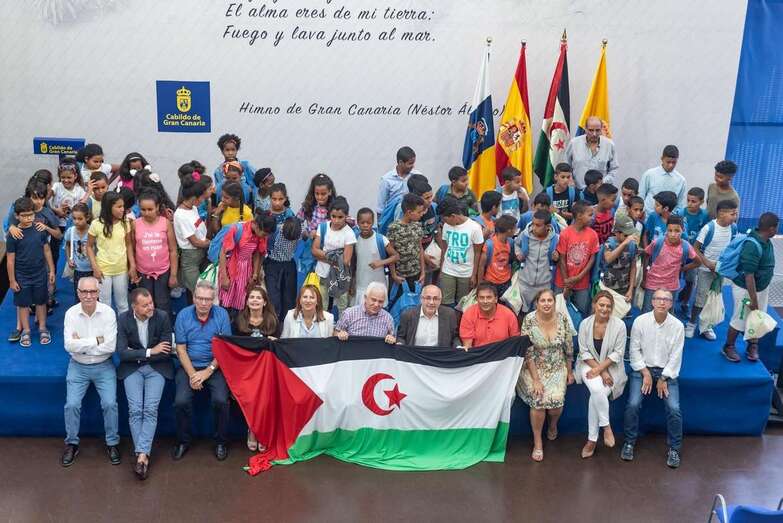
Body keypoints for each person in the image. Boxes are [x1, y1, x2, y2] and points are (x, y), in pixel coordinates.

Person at [622, 289, 684, 469]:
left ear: (671, 304)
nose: (662, 302)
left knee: (674, 408)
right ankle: (629, 442)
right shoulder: (640, 322)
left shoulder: (677, 326)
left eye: (667, 299)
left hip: (667, 372)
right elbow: (634, 351)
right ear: (652, 302)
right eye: (658, 299)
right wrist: (646, 373)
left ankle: (674, 448)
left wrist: (663, 377)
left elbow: (676, 356)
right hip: (643, 369)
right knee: (633, 403)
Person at [61, 276, 119, 467]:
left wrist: (81, 343)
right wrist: (96, 340)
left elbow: (110, 347)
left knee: (110, 404)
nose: (88, 296)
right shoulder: (70, 314)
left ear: (98, 292)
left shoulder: (109, 313)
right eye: (84, 292)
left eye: (92, 291)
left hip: (104, 365)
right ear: (78, 293)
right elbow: (69, 345)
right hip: (78, 366)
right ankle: (71, 443)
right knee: (71, 405)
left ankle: (112, 443)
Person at [116, 287, 173, 480]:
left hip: (157, 369)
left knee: (149, 409)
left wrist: (139, 353)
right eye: (145, 305)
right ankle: (143, 454)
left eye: (151, 303)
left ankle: (141, 455)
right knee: (134, 410)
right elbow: (122, 353)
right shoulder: (123, 319)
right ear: (134, 306)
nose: (151, 307)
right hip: (132, 369)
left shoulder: (162, 316)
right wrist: (150, 351)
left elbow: (165, 350)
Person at [173, 281, 233, 461]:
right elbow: (181, 349)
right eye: (200, 298)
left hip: (215, 365)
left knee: (221, 400)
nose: (204, 303)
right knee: (181, 401)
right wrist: (193, 375)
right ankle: (183, 441)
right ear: (194, 298)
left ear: (214, 300)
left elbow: (224, 348)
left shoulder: (222, 314)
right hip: (189, 365)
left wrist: (207, 372)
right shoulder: (183, 315)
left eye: (208, 299)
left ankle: (221, 442)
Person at [517, 289, 574, 462]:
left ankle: (553, 426)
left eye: (550, 300)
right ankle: (538, 442)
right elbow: (528, 352)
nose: (547, 304)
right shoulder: (529, 320)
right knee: (539, 401)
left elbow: (569, 347)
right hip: (534, 367)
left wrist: (570, 371)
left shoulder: (563, 318)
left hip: (557, 366)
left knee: (556, 405)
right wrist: (536, 380)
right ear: (537, 303)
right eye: (543, 300)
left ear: (554, 303)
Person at [575, 291, 628, 458]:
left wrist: (602, 370)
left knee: (596, 394)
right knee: (597, 390)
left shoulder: (619, 325)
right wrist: (599, 371)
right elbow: (583, 352)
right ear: (594, 305)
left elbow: (617, 354)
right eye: (601, 305)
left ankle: (591, 440)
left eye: (608, 306)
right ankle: (606, 427)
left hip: (611, 367)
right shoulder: (585, 324)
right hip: (587, 364)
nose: (604, 309)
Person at [722, 212, 779, 362]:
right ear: (772, 229)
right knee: (740, 318)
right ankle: (728, 346)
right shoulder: (752, 246)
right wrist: (753, 300)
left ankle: (753, 345)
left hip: (761, 289)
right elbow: (749, 276)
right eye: (777, 227)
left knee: (757, 316)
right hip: (746, 292)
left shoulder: (767, 242)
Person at [232, 285, 278, 452]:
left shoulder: (272, 320)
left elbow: (278, 349)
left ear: (265, 302)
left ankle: (262, 431)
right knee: (250, 396)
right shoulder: (238, 320)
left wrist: (274, 341)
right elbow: (233, 345)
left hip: (266, 369)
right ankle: (253, 429)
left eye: (258, 298)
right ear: (247, 301)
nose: (255, 300)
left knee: (266, 397)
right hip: (245, 369)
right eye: (251, 297)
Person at [6, 197, 56, 347]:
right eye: (24, 215)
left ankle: (42, 328)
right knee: (23, 304)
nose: (28, 218)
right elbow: (10, 260)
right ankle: (26, 330)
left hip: (40, 273)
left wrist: (52, 270)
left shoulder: (40, 229)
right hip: (21, 275)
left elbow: (47, 250)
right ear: (16, 216)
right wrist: (12, 280)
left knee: (41, 302)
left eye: (31, 215)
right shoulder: (13, 235)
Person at [686, 199, 739, 339]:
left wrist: (723, 266)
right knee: (701, 298)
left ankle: (706, 326)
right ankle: (691, 324)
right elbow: (695, 248)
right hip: (705, 270)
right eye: (732, 214)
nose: (735, 217)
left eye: (736, 214)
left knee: (714, 298)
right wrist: (708, 263)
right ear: (721, 214)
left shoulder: (733, 228)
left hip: (720, 271)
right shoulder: (709, 228)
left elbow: (731, 249)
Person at [218, 210, 276, 317]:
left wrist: (254, 275)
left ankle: (237, 328)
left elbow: (257, 254)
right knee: (226, 304)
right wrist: (224, 277)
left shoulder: (261, 236)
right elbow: (223, 252)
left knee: (241, 303)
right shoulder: (237, 230)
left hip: (246, 270)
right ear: (256, 226)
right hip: (231, 269)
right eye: (264, 234)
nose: (264, 237)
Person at [130, 190, 178, 314]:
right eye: (143, 209)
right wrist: (133, 268)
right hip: (142, 272)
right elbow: (133, 248)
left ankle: (164, 329)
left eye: (150, 209)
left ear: (157, 207)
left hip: (163, 271)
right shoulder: (135, 224)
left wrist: (173, 274)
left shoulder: (165, 223)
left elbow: (173, 250)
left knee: (163, 302)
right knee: (144, 303)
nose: (146, 213)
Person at [641, 216, 698, 313]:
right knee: (647, 312)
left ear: (683, 230)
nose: (673, 234)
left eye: (677, 231)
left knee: (667, 314)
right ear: (666, 229)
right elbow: (646, 255)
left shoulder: (685, 246)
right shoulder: (658, 242)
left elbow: (697, 262)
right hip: (652, 283)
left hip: (671, 286)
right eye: (670, 230)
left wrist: (682, 269)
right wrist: (644, 278)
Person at [311, 196, 356, 314]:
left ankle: (341, 329)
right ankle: (323, 330)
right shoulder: (323, 226)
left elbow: (346, 260)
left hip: (341, 276)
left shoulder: (349, 233)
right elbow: (314, 250)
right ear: (329, 215)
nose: (336, 220)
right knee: (322, 303)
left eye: (340, 217)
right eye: (333, 216)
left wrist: (324, 255)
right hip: (322, 273)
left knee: (342, 305)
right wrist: (335, 256)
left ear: (346, 216)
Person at [554, 200, 600, 316]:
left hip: (582, 282)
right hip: (562, 281)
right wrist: (566, 281)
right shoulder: (565, 234)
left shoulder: (593, 235)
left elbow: (592, 258)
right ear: (579, 216)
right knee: (559, 311)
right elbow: (562, 259)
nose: (592, 218)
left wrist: (579, 276)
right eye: (589, 215)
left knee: (580, 311)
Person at [263, 183, 300, 322]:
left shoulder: (290, 215)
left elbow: (297, 234)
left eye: (280, 199)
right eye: (274, 199)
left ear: (285, 199)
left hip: (288, 264)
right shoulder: (265, 213)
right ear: (269, 198)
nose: (277, 202)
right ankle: (272, 327)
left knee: (288, 299)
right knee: (273, 298)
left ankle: (287, 330)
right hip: (271, 263)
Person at [439, 197, 484, 306]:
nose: (444, 222)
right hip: (448, 270)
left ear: (453, 216)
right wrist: (441, 268)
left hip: (466, 272)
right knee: (446, 302)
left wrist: (474, 275)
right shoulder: (446, 226)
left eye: (446, 220)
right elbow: (444, 248)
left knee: (463, 303)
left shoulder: (475, 228)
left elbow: (478, 253)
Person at [352, 207, 399, 306]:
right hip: (361, 285)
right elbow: (353, 262)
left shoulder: (381, 239)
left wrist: (380, 262)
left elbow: (395, 256)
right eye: (362, 222)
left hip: (379, 284)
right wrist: (352, 283)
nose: (365, 225)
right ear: (358, 223)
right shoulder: (354, 239)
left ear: (373, 222)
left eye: (368, 223)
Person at [174, 176, 210, 302]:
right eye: (202, 197)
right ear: (195, 198)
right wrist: (212, 244)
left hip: (201, 253)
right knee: (198, 292)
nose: (203, 200)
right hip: (191, 257)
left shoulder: (193, 208)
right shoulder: (181, 215)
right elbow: (194, 242)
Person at [516, 210, 560, 313]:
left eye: (538, 225)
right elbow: (516, 244)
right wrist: (518, 253)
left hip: (544, 285)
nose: (533, 227)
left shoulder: (556, 239)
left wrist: (557, 258)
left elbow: (560, 258)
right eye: (533, 224)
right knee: (522, 312)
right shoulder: (525, 235)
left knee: (541, 313)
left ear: (548, 226)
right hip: (525, 283)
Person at [677, 187, 710, 315]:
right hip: (680, 251)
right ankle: (674, 298)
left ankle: (685, 302)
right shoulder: (681, 213)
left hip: (694, 253)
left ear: (701, 202)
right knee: (675, 276)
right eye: (688, 200)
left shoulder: (705, 215)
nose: (690, 204)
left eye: (694, 201)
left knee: (691, 280)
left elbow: (706, 232)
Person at [459, 283, 520, 349]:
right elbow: (468, 347)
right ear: (477, 299)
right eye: (481, 298)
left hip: (502, 355)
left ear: (496, 299)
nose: (485, 301)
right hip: (478, 355)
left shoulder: (509, 315)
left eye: (489, 297)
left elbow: (515, 342)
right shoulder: (469, 314)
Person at [564, 116, 619, 188]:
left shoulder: (609, 145)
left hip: (601, 193)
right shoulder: (574, 143)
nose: (594, 134)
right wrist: (570, 180)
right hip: (578, 191)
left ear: (601, 129)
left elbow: (614, 169)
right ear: (585, 129)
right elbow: (566, 166)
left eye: (597, 130)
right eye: (591, 130)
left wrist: (603, 182)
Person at [639, 145, 687, 215]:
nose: (671, 165)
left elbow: (680, 204)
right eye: (668, 162)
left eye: (674, 162)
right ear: (662, 159)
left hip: (668, 221)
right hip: (648, 217)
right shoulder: (649, 174)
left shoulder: (681, 180)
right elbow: (641, 196)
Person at [478, 215, 517, 298]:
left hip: (506, 282)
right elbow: (481, 266)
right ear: (509, 230)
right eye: (514, 228)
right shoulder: (489, 245)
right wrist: (480, 285)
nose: (515, 230)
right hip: (490, 283)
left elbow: (511, 262)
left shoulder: (511, 242)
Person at [64, 203, 94, 298]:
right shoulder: (71, 231)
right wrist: (69, 259)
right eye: (74, 218)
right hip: (78, 269)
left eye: (80, 219)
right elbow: (67, 245)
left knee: (93, 295)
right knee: (80, 295)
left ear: (87, 217)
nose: (76, 221)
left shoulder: (92, 231)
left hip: (92, 269)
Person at [377, 146, 418, 215]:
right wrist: (381, 224)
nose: (413, 166)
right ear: (401, 162)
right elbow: (380, 207)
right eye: (410, 163)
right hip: (392, 219)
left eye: (413, 163)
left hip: (413, 218)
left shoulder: (417, 176)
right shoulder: (386, 180)